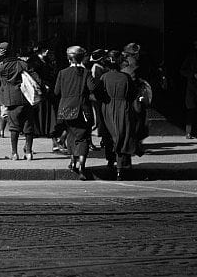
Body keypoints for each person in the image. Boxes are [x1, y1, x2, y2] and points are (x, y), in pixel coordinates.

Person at [87, 50, 137, 180]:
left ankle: (110, 161)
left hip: (107, 108)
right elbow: (133, 94)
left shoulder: (104, 77)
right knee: (122, 135)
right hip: (123, 108)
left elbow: (98, 94)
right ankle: (121, 166)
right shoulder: (126, 77)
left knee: (109, 135)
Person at [0, 43, 36, 160]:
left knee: (14, 127)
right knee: (28, 126)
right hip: (27, 98)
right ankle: (29, 153)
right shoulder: (22, 64)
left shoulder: (4, 67)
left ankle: (14, 153)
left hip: (11, 100)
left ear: (2, 54)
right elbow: (35, 76)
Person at [54, 46, 93, 180]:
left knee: (71, 135)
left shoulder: (62, 73)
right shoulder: (86, 72)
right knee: (83, 137)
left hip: (66, 109)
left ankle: (73, 161)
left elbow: (56, 92)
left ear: (68, 58)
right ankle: (82, 165)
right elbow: (92, 88)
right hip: (82, 109)